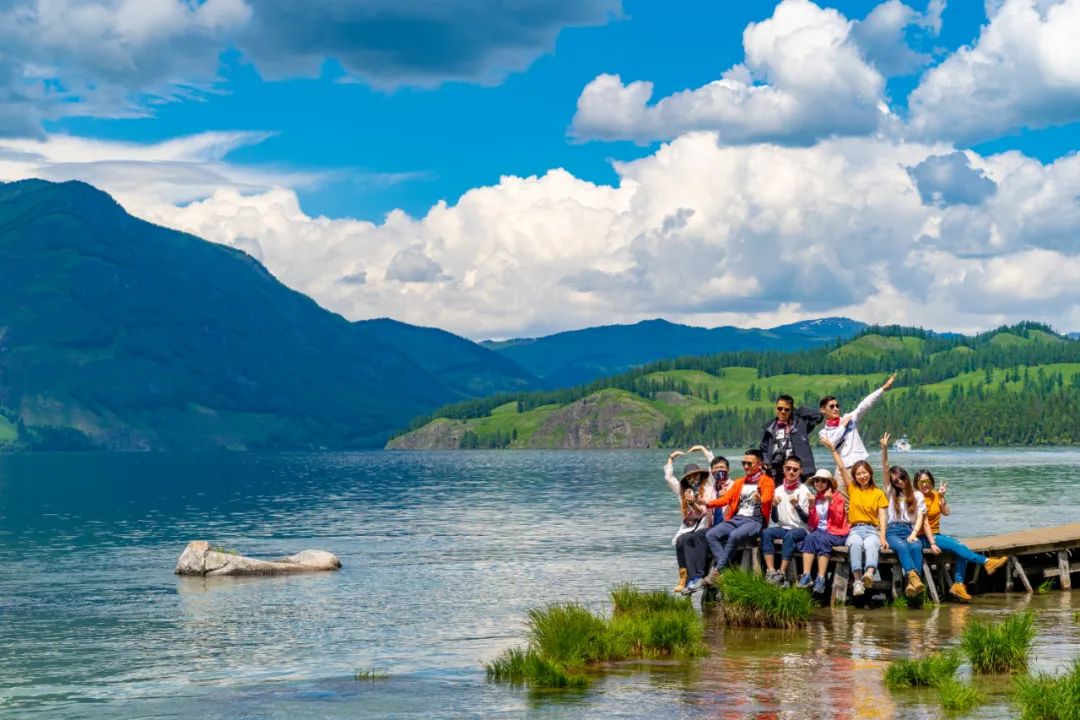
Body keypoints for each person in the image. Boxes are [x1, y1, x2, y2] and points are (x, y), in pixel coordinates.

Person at [684, 449, 775, 594]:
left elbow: (769, 498)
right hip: (737, 518)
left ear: (759, 464)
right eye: (744, 463)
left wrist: (761, 499)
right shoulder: (740, 482)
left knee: (734, 536)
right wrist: (705, 502)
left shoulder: (767, 481)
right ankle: (725, 569)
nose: (746, 466)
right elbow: (725, 500)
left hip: (754, 521)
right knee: (711, 535)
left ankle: (716, 572)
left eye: (749, 464)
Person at [912, 466, 1008, 602]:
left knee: (961, 548)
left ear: (931, 481)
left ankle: (959, 585)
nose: (925, 484)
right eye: (921, 482)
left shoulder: (934, 494)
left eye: (927, 481)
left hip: (936, 534)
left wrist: (942, 497)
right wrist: (932, 542)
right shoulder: (916, 498)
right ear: (916, 484)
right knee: (959, 548)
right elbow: (922, 523)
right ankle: (986, 562)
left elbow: (946, 512)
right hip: (923, 537)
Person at [664, 446, 730, 592]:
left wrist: (703, 450)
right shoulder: (682, 491)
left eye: (696, 476)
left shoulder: (708, 486)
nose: (693, 479)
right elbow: (669, 478)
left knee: (688, 539)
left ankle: (695, 577)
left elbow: (716, 466)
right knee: (680, 541)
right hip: (689, 526)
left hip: (704, 524)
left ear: (701, 476)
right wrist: (671, 459)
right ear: (686, 479)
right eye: (690, 477)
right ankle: (684, 576)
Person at [835, 436, 888, 597]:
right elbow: (842, 467)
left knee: (873, 544)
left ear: (870, 473)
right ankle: (858, 581)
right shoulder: (852, 489)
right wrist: (832, 449)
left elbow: (883, 517)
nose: (862, 476)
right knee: (854, 544)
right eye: (858, 474)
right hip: (856, 529)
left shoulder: (878, 493)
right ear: (855, 476)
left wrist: (883, 537)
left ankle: (869, 574)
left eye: (864, 472)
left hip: (872, 530)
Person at [879, 435, 929, 598]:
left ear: (907, 477)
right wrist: (884, 449)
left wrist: (914, 533)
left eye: (902, 478)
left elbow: (921, 517)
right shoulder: (890, 492)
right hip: (892, 530)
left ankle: (911, 585)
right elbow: (885, 469)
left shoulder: (917, 495)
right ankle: (914, 579)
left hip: (909, 529)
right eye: (895, 480)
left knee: (915, 547)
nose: (899, 481)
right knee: (900, 546)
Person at [818, 373, 897, 469]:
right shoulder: (823, 433)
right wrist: (842, 426)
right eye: (832, 406)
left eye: (837, 406)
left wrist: (883, 388)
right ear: (823, 410)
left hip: (860, 464)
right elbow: (832, 444)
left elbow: (864, 405)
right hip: (842, 468)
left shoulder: (849, 418)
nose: (836, 409)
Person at [796, 466, 850, 594]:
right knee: (809, 537)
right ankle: (806, 575)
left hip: (837, 532)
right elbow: (812, 524)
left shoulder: (837, 497)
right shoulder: (815, 498)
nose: (819, 483)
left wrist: (830, 501)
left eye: (823, 481)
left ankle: (821, 579)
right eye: (817, 480)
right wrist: (811, 506)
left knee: (821, 539)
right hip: (820, 531)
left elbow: (838, 520)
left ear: (829, 483)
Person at [762, 455, 812, 586]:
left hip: (801, 529)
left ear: (800, 471)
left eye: (795, 470)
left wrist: (797, 506)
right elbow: (775, 519)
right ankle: (771, 570)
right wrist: (773, 506)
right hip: (783, 527)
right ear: (783, 469)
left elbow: (807, 519)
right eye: (788, 468)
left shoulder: (803, 490)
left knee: (790, 536)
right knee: (767, 533)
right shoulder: (778, 490)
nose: (791, 472)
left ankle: (782, 572)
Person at [760, 394, 824, 482]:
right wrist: (766, 462)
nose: (783, 412)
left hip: (798, 471)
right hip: (776, 471)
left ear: (791, 410)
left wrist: (798, 411)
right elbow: (763, 448)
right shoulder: (769, 427)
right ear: (776, 408)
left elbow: (818, 417)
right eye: (779, 408)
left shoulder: (800, 424)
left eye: (787, 409)